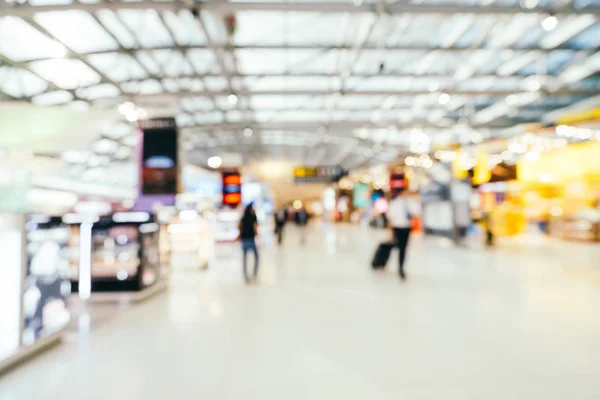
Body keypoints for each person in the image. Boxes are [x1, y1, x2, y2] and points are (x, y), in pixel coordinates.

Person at [387, 190, 419, 280]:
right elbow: (390, 219)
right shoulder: (394, 203)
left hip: (406, 227)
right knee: (400, 247)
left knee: (403, 248)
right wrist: (390, 232)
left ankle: (400, 266)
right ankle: (398, 265)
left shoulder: (410, 203)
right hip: (397, 227)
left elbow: (416, 214)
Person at [238, 203, 259, 283]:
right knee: (256, 257)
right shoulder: (253, 217)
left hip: (244, 239)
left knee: (244, 258)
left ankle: (246, 277)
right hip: (251, 239)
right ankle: (254, 274)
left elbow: (239, 226)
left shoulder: (243, 217)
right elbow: (256, 227)